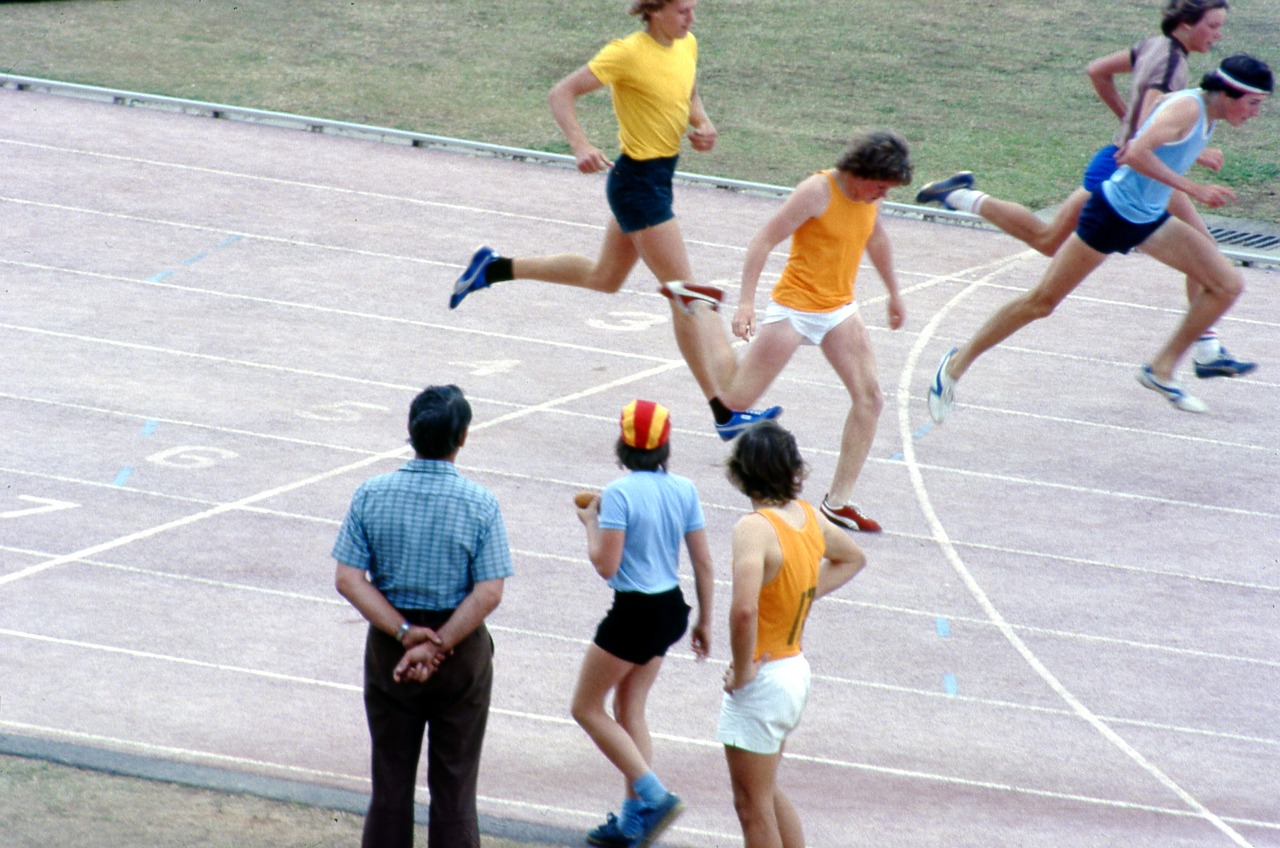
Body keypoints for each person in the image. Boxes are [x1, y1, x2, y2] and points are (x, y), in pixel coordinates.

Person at [446, 0, 779, 438]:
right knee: (690, 296)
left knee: (605, 277)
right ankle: (725, 411)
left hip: (657, 180)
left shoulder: (687, 44)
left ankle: (493, 268)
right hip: (637, 185)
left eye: (693, 10)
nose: (692, 19)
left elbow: (690, 93)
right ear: (655, 11)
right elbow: (560, 93)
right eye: (683, 11)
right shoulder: (626, 53)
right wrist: (581, 145)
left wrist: (703, 125)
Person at [916, 0, 1254, 379]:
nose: (1218, 35)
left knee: (1047, 240)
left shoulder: (1152, 47)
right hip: (1128, 173)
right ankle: (1204, 348)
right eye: (1213, 26)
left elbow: (1097, 71)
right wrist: (1189, 149)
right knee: (1201, 244)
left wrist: (1133, 122)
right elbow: (1148, 135)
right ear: (1187, 26)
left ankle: (960, 195)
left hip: (1118, 160)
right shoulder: (1173, 66)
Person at [663, 130, 912, 532]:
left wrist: (894, 293)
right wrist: (746, 303)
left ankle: (838, 503)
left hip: (839, 310)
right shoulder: (817, 190)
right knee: (733, 398)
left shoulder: (871, 198)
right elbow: (763, 241)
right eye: (881, 186)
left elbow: (877, 239)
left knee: (871, 399)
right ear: (862, 171)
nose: (882, 194)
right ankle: (704, 307)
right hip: (794, 308)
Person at [333, 385, 513, 848]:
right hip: (460, 650)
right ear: (464, 437)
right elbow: (489, 590)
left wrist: (407, 634)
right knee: (454, 791)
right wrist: (441, 643)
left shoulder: (371, 494)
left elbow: (349, 579)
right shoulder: (481, 503)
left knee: (390, 785)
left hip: (391, 647)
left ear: (411, 432)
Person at [572, 399, 715, 848]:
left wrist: (590, 523)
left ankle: (654, 797)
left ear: (623, 444)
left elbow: (606, 566)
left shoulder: (618, 494)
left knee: (586, 708)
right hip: (671, 609)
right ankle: (633, 824)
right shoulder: (685, 489)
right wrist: (705, 621)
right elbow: (704, 564)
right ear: (665, 445)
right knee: (629, 709)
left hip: (633, 612)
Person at [717, 421, 867, 848]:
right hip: (793, 669)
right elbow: (852, 559)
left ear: (743, 472)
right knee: (766, 793)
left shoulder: (754, 527)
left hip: (763, 678)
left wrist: (743, 670)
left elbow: (744, 611)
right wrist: (800, 593)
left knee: (751, 807)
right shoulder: (807, 516)